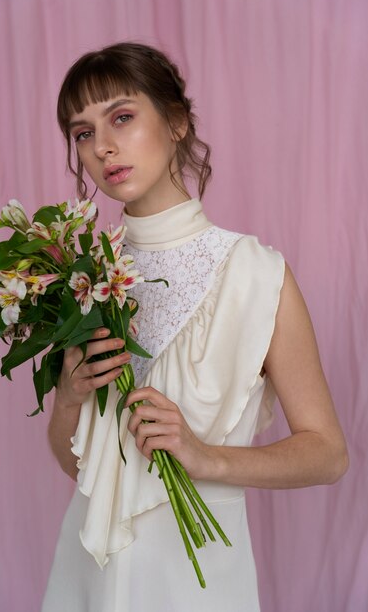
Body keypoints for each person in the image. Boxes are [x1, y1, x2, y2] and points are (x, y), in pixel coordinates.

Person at [41, 42, 348, 612]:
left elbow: (328, 454)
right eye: (82, 133)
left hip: (199, 578)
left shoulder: (256, 275)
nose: (102, 146)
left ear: (177, 121)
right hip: (88, 570)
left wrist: (208, 457)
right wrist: (68, 397)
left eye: (122, 117)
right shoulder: (81, 277)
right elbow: (76, 464)